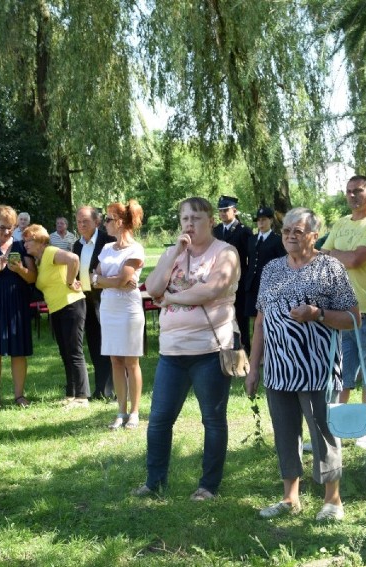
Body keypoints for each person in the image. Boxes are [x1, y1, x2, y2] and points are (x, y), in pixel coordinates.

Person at [245, 207, 359, 522]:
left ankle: (333, 500)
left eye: (298, 231)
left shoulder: (330, 268)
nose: (291, 236)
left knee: (323, 432)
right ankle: (289, 498)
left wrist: (317, 314)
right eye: (286, 231)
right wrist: (255, 367)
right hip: (279, 368)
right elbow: (260, 322)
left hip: (318, 369)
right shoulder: (271, 269)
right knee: (285, 433)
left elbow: (353, 318)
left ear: (312, 234)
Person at [135, 197, 240, 500]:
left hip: (210, 348)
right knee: (159, 420)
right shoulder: (173, 252)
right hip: (172, 351)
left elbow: (212, 290)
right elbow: (152, 289)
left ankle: (208, 486)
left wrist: (171, 299)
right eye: (185, 219)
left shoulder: (226, 252)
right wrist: (174, 255)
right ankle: (154, 482)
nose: (190, 224)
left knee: (213, 419)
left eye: (196, 218)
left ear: (211, 221)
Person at [321, 175, 366, 449]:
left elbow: (355, 259)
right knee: (342, 374)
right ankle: (338, 428)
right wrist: (335, 254)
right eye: (349, 191)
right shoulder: (340, 223)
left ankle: (365, 429)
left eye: (358, 190)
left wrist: (334, 253)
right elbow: (320, 256)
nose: (352, 195)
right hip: (341, 311)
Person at [22, 223, 91, 408]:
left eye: (28, 240)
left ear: (40, 240)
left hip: (71, 304)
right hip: (57, 308)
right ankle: (71, 393)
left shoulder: (51, 251)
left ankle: (82, 397)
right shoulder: (40, 260)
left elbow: (73, 259)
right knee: (64, 351)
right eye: (24, 241)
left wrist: (70, 282)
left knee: (74, 351)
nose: (25, 244)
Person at [93, 200, 146, 429]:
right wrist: (111, 282)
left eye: (108, 219)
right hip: (109, 308)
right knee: (115, 359)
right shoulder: (106, 249)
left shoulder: (136, 249)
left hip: (129, 310)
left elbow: (124, 279)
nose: (104, 223)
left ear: (121, 222)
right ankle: (121, 411)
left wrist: (107, 281)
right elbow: (94, 278)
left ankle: (134, 412)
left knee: (131, 361)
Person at [0, 205, 37, 410]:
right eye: (3, 227)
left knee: (18, 351)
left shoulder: (22, 247)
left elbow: (32, 277)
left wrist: (19, 269)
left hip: (17, 302)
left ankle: (19, 395)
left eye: (11, 228)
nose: (7, 232)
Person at [73, 206, 116, 400]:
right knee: (94, 344)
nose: (81, 225)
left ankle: (112, 389)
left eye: (86, 222)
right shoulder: (77, 245)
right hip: (85, 301)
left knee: (109, 345)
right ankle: (100, 388)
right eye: (79, 221)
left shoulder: (108, 241)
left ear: (96, 222)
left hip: (105, 299)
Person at [213, 195, 252, 352]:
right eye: (220, 211)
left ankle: (244, 348)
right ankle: (223, 346)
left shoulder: (244, 231)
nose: (222, 214)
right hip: (218, 280)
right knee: (220, 314)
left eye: (225, 210)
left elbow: (250, 256)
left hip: (238, 281)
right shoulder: (215, 231)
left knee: (241, 317)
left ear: (234, 211)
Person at [243, 206, 286, 319]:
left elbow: (282, 263)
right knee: (254, 317)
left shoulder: (277, 240)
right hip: (252, 284)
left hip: (269, 285)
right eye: (259, 220)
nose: (261, 223)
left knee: (268, 317)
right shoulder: (252, 239)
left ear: (271, 221)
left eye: (264, 220)